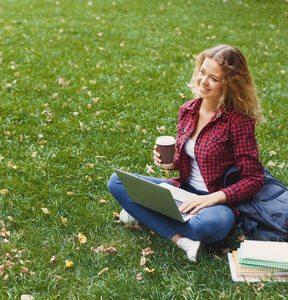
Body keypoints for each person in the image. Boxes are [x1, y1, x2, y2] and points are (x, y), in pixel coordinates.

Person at [108, 45, 265, 262]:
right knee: (116, 182)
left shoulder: (238, 121)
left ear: (230, 84)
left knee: (209, 227)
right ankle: (182, 240)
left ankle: (142, 213)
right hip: (183, 191)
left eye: (214, 78)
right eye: (202, 72)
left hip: (216, 203)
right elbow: (190, 160)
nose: (203, 81)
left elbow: (255, 179)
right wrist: (171, 163)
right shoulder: (188, 110)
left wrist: (213, 198)